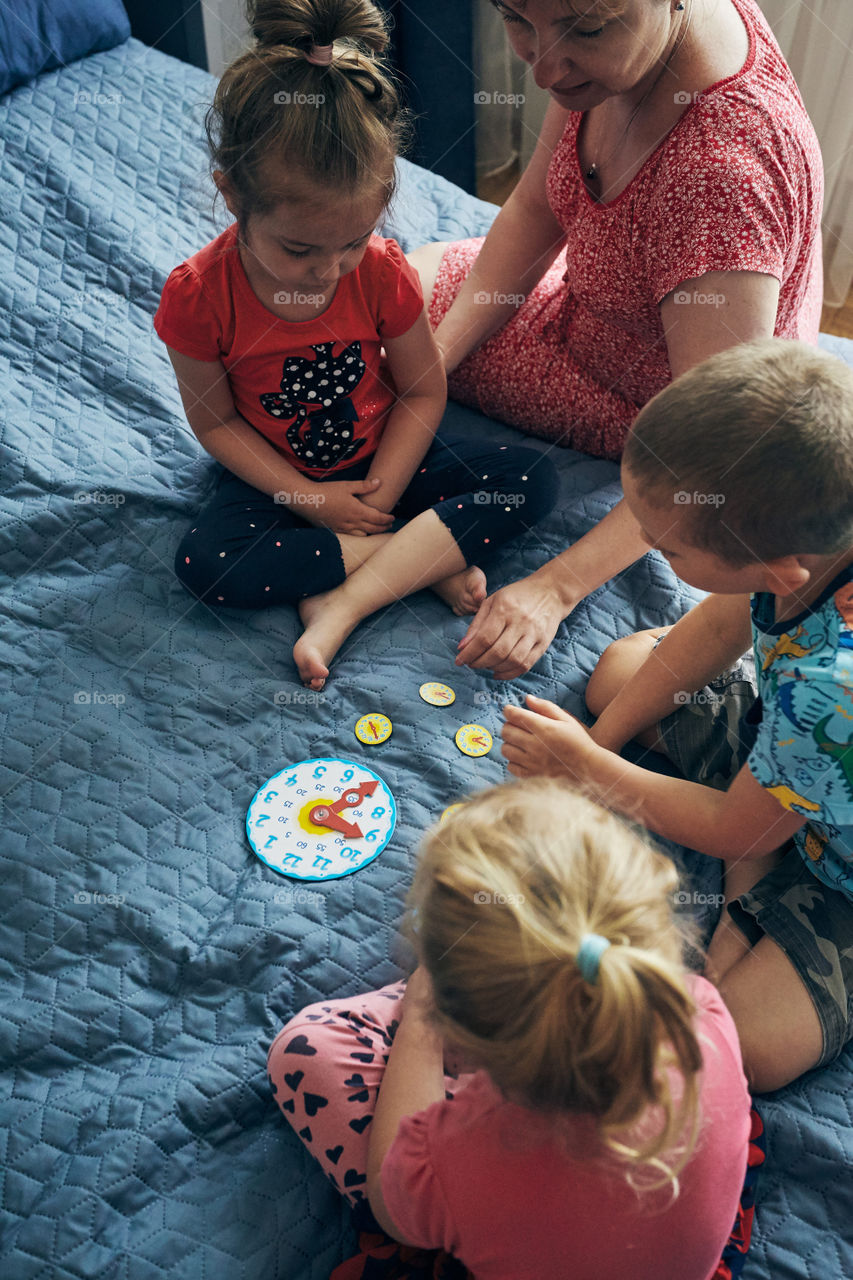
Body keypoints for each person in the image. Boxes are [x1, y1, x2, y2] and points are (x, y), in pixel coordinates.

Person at [407, 0, 823, 680]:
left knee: (391, 310)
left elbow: (707, 451)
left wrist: (554, 587)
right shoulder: (599, 52)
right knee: (401, 301)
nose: (542, 67)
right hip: (618, 303)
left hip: (669, 404)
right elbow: (538, 206)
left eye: (587, 29)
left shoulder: (717, 179)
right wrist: (433, 367)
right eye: (514, 17)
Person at [153, 0, 558, 689]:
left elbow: (422, 389)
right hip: (278, 480)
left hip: (383, 464)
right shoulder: (195, 296)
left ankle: (343, 595)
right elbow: (217, 424)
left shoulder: (380, 271)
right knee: (206, 564)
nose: (328, 270)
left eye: (351, 241)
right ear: (230, 196)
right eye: (300, 248)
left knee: (533, 480)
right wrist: (309, 502)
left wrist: (376, 499)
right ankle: (414, 559)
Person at [501, 340, 853, 1094]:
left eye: (668, 550)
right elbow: (728, 619)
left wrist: (587, 770)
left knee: (746, 1048)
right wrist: (601, 739)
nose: (651, 554)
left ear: (777, 570)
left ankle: (755, 886)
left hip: (839, 856)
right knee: (621, 675)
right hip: (799, 759)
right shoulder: (805, 541)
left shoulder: (833, 689)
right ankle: (754, 876)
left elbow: (734, 828)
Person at [268, 778, 753, 1280]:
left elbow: (396, 1218)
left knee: (304, 1049)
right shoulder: (702, 1011)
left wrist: (418, 1025)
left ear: (459, 1033)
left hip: (488, 1199)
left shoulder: (456, 1157)